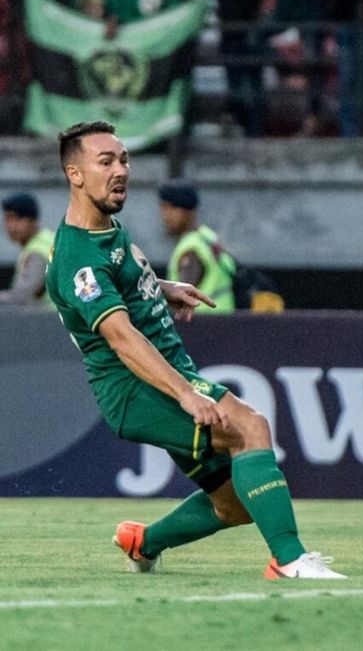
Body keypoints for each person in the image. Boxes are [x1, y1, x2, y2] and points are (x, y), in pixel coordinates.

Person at [45, 120, 344, 579]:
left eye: (123, 159)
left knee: (234, 505)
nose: (120, 170)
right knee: (249, 426)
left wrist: (161, 288)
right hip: (137, 387)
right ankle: (289, 560)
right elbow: (121, 336)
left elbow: (119, 282)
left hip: (160, 375)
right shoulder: (76, 256)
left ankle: (143, 543)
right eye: (105, 161)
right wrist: (186, 394)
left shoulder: (105, 229)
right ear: (75, 174)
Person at [158, 179, 236, 314]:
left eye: (172, 208)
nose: (166, 216)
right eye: (163, 208)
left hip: (203, 325)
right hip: (223, 320)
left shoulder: (191, 249)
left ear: (189, 211)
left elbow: (182, 295)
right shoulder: (207, 236)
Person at [1, 191, 55, 309]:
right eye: (8, 219)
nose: (11, 226)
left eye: (17, 219)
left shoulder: (38, 250)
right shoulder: (48, 238)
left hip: (55, 320)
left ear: (32, 221)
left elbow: (20, 296)